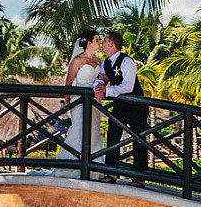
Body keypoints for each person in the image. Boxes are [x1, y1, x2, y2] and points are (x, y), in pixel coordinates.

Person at [95, 30, 148, 185]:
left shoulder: (127, 61)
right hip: (120, 105)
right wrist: (98, 86)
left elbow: (128, 86)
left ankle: (139, 178)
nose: (102, 44)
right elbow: (103, 79)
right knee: (113, 137)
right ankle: (111, 174)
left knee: (138, 140)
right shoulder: (106, 63)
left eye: (104, 41)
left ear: (111, 44)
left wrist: (107, 91)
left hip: (136, 106)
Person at [57, 30, 104, 176]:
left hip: (95, 102)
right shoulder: (77, 61)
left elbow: (101, 79)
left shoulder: (98, 61)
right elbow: (68, 84)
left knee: (94, 131)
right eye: (97, 40)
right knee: (80, 130)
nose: (99, 42)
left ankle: (92, 167)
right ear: (89, 43)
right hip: (79, 102)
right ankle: (73, 166)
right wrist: (66, 108)